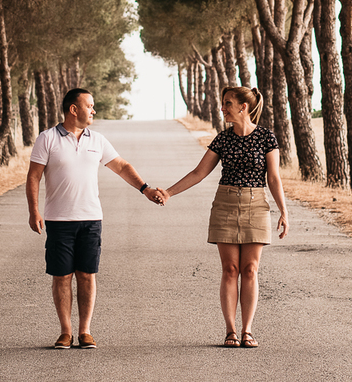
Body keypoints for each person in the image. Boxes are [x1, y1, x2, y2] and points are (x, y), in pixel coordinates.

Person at [27, 87, 164, 350]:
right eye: (89, 105)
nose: (94, 110)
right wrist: (34, 211)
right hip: (58, 220)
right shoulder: (47, 139)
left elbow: (121, 166)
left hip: (91, 220)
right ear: (73, 109)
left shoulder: (97, 140)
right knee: (62, 276)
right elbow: (33, 176)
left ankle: (85, 331)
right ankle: (65, 332)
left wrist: (145, 189)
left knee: (87, 275)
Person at [157, 85, 288, 349]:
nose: (222, 108)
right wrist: (169, 192)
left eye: (227, 103)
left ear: (244, 107)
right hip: (225, 205)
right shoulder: (223, 139)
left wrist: (284, 211)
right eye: (223, 103)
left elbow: (273, 177)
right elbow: (199, 172)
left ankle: (247, 330)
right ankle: (230, 331)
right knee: (230, 270)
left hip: (256, 204)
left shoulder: (266, 138)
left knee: (250, 270)